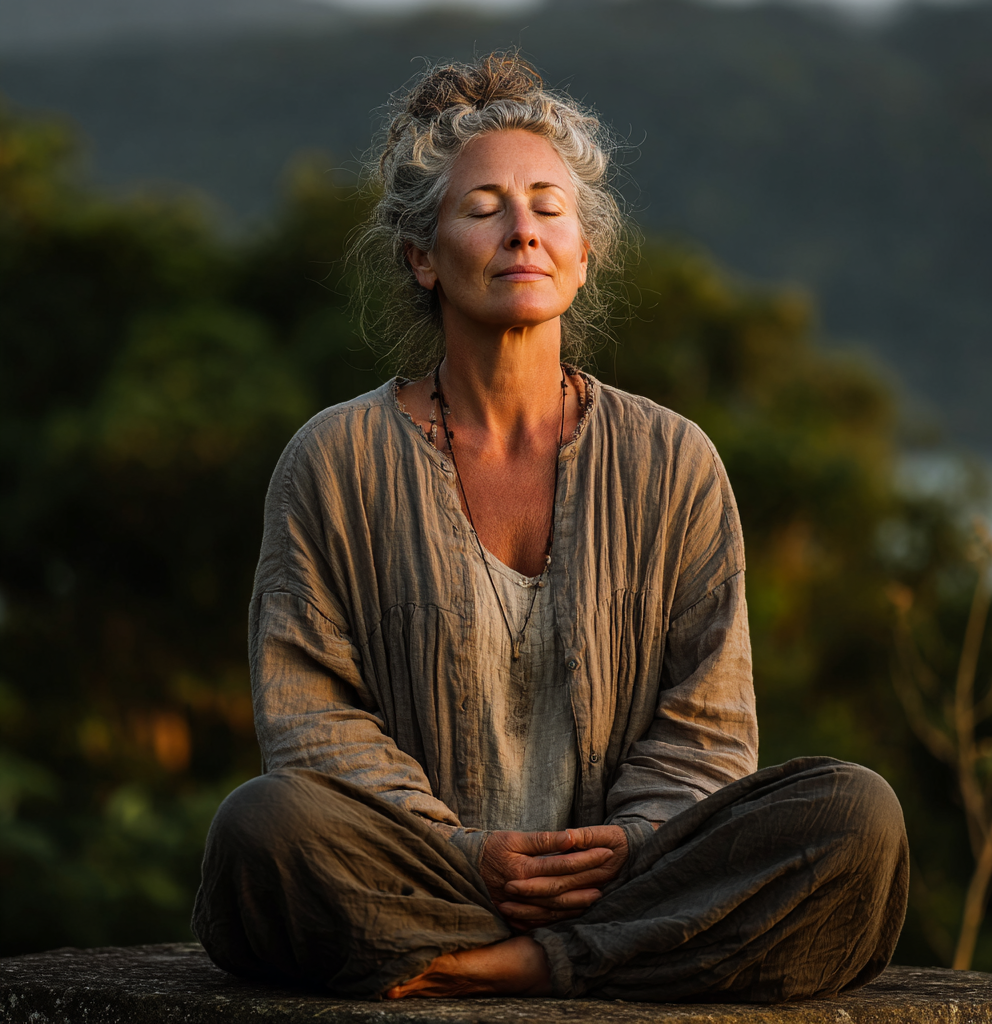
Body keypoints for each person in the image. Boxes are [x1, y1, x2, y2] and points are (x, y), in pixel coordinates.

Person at [192, 53, 908, 1003]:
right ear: (422, 256)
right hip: (428, 874)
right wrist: (465, 851)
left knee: (858, 816)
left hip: (634, 876)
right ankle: (611, 958)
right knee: (260, 831)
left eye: (547, 206)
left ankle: (518, 966)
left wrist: (631, 845)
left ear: (583, 251)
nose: (522, 229)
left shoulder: (673, 459)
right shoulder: (337, 459)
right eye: (484, 207)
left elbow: (708, 725)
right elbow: (310, 719)